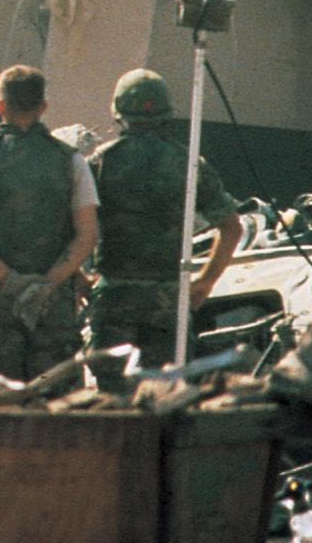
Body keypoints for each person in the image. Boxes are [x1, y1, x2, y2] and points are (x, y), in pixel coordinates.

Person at [85, 70, 241, 388]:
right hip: (168, 300)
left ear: (118, 111)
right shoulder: (189, 164)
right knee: (165, 392)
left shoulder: (101, 163)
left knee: (110, 398)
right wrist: (205, 282)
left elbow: (72, 226)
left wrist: (78, 277)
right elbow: (232, 228)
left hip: (114, 297)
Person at [0, 65, 98, 381]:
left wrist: (11, 280)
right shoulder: (71, 160)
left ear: (0, 106)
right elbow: (87, 235)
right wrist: (47, 285)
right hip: (54, 306)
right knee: (56, 398)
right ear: (43, 107)